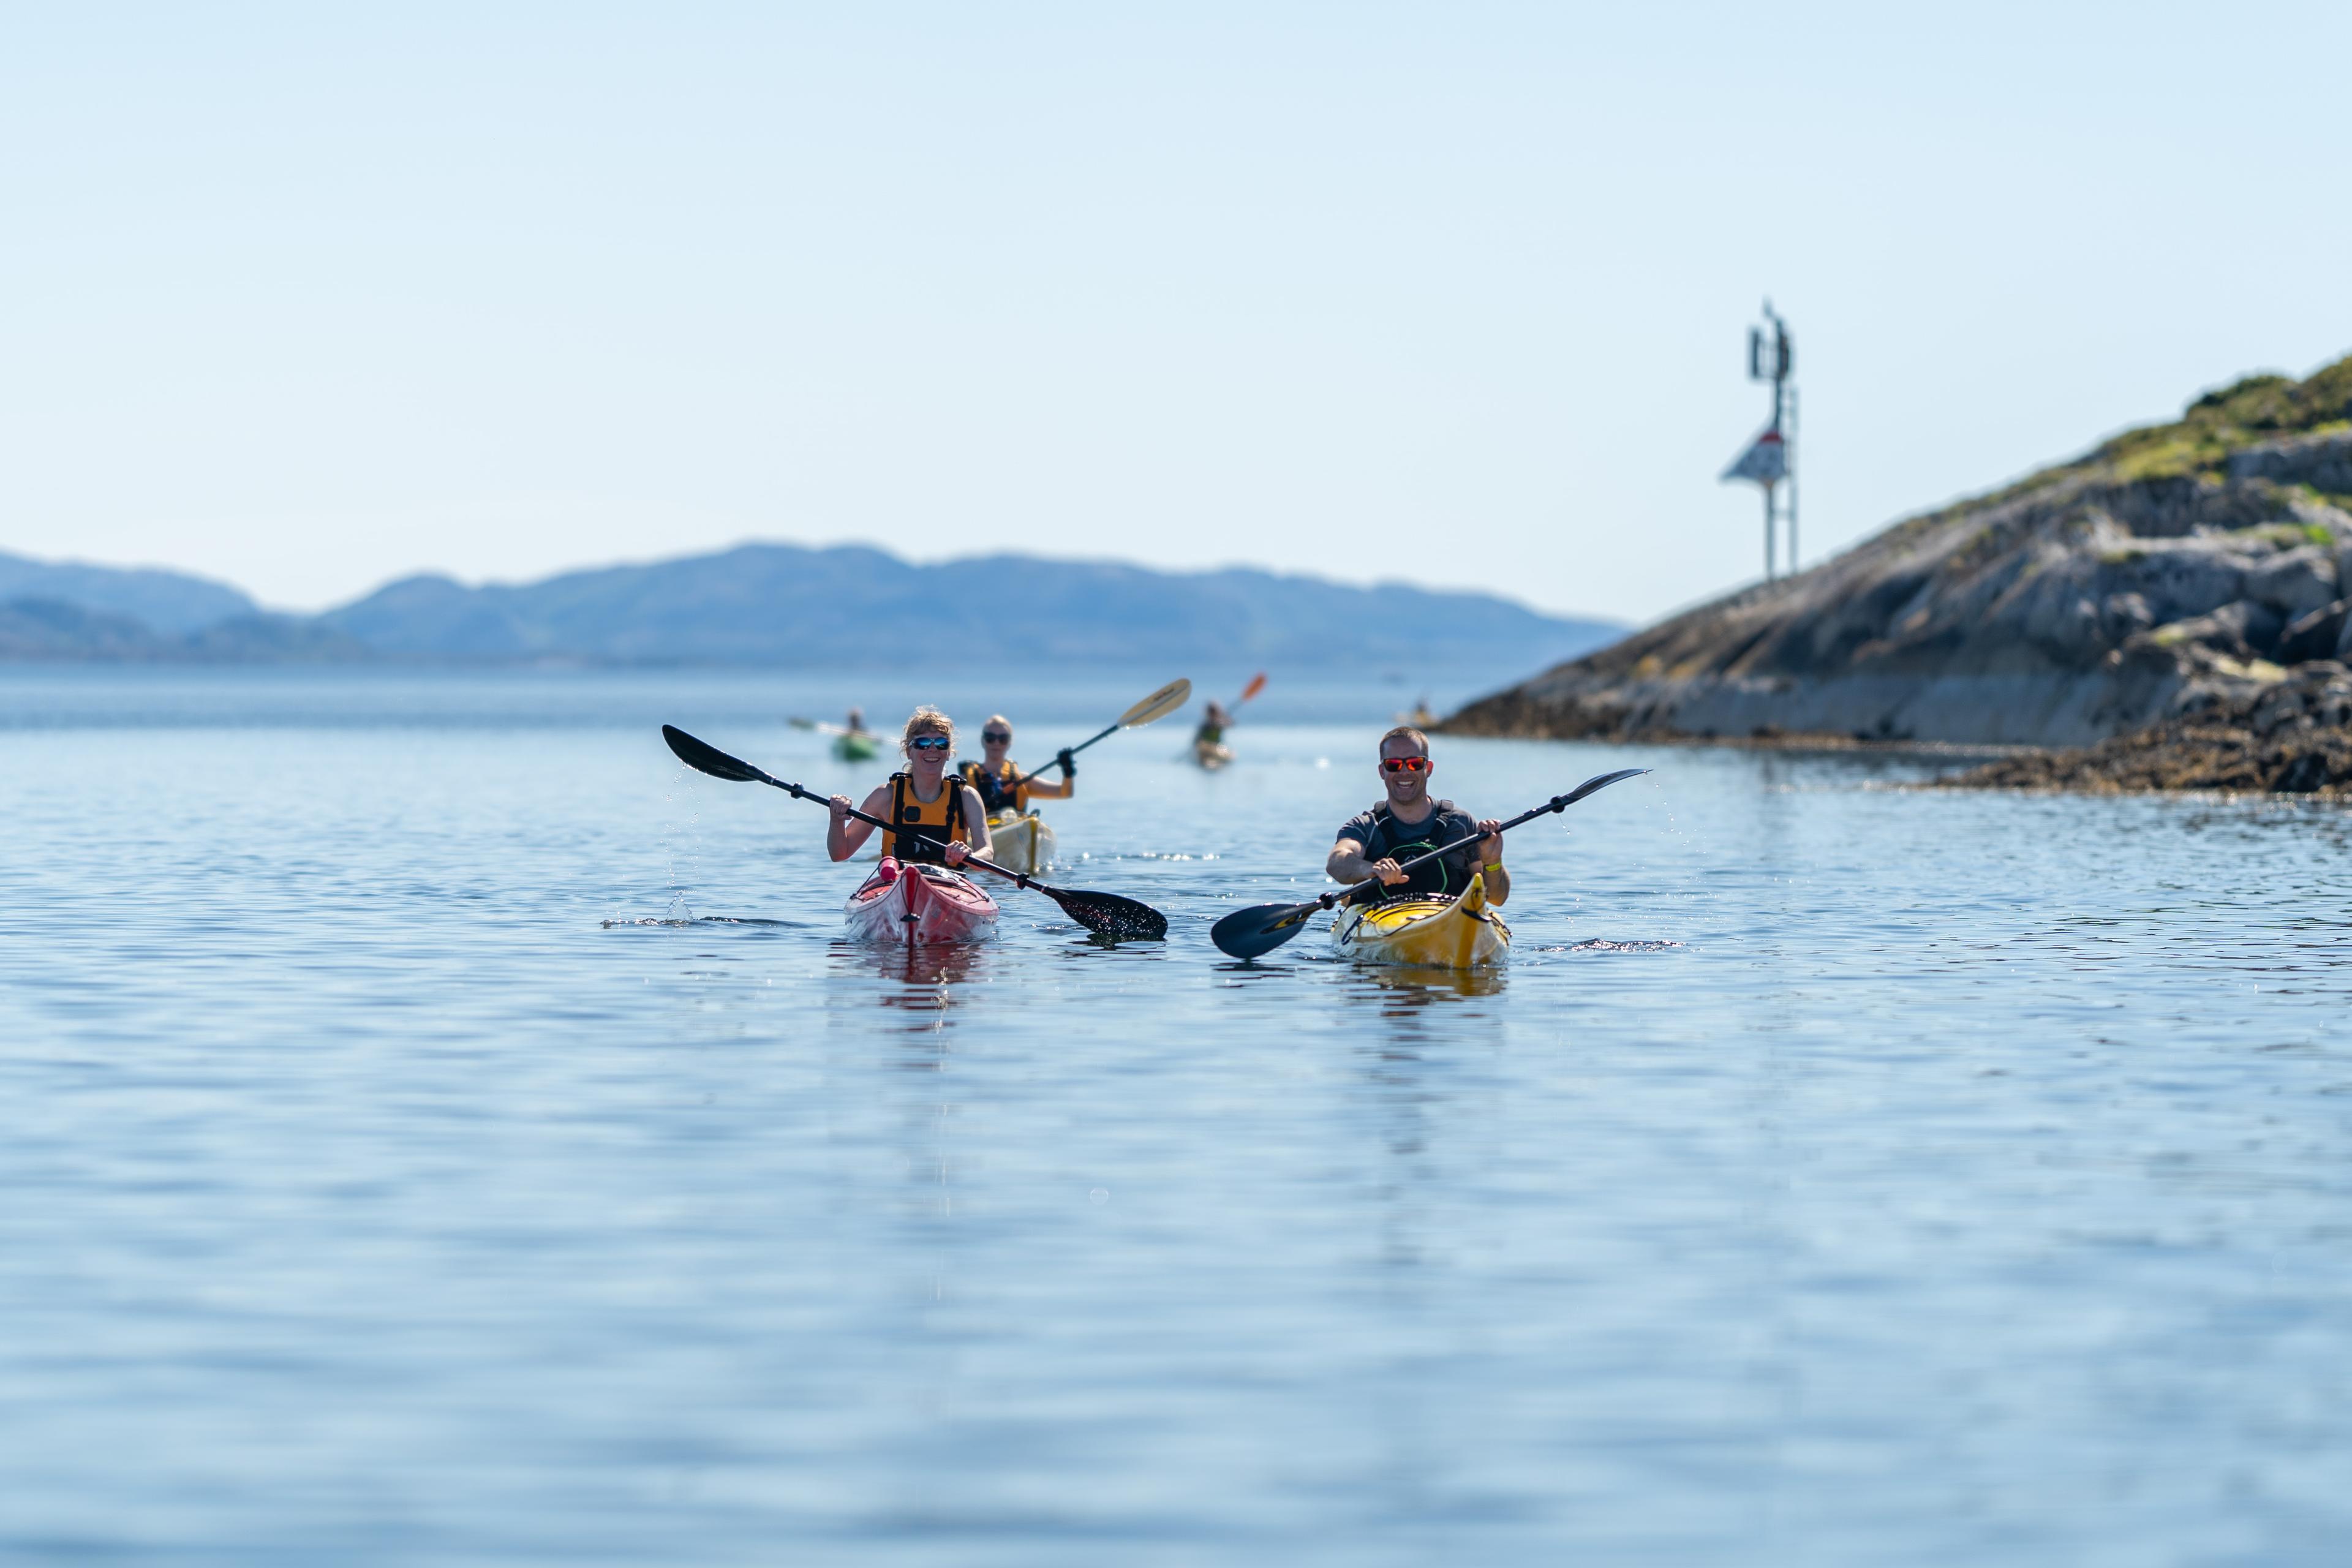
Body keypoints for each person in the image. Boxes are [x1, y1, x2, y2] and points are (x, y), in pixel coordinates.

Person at [1325, 726, 1508, 905]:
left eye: (1415, 764)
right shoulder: (1365, 826)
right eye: (1394, 765)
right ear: (1382, 771)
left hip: (1451, 919)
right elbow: (1336, 861)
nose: (1405, 772)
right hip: (1379, 919)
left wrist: (1493, 862)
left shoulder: (1460, 823)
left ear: (1428, 768)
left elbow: (1496, 898)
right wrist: (1371, 869)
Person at [828, 707, 994, 869]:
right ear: (909, 751)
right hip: (897, 880)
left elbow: (987, 854)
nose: (932, 749)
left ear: (949, 752)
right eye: (923, 743)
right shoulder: (885, 796)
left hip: (950, 881)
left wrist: (970, 857)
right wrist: (837, 820)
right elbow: (839, 854)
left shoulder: (967, 798)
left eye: (941, 743)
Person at [959, 714, 1074, 818]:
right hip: (981, 831)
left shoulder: (1023, 780)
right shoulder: (965, 781)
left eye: (1003, 739)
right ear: (983, 741)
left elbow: (1064, 793)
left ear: (1010, 742)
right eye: (990, 738)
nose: (996, 743)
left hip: (1016, 829)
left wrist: (1067, 771)